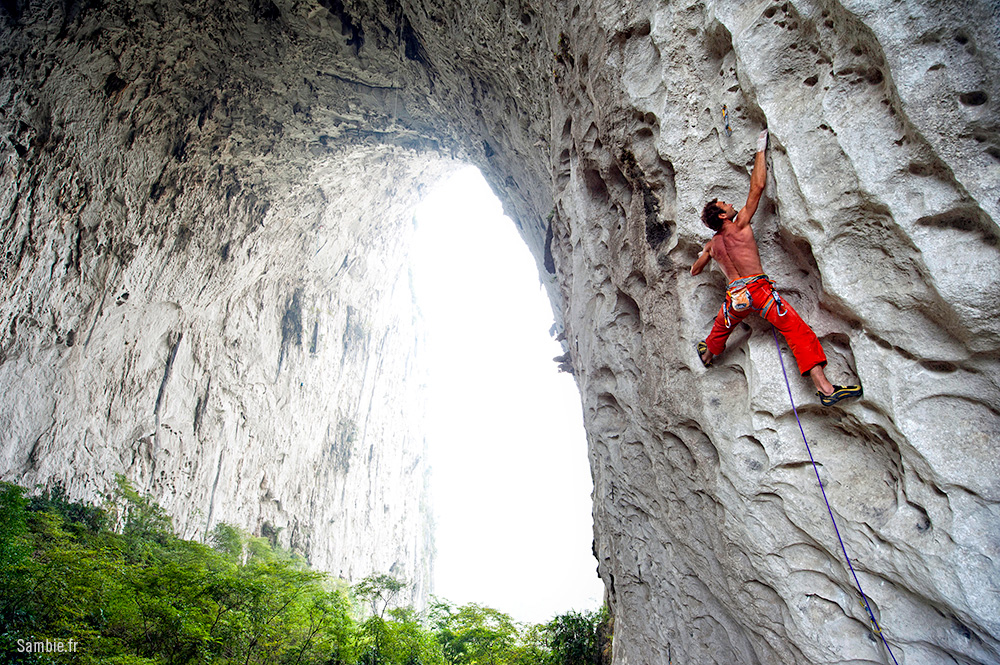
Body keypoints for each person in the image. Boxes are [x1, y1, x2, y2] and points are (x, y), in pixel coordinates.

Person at [691, 129, 862, 406]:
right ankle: (826, 390)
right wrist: (760, 149)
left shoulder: (713, 246)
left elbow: (695, 271)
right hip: (759, 292)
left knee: (722, 327)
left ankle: (708, 354)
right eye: (725, 204)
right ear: (722, 215)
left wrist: (704, 254)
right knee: (796, 330)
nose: (731, 204)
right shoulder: (739, 226)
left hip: (735, 298)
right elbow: (756, 188)